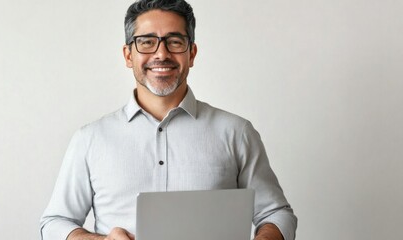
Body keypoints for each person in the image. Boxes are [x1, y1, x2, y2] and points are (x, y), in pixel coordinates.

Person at [40, 0, 297, 239]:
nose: (161, 54)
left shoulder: (236, 132)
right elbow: (55, 222)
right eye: (147, 41)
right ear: (129, 55)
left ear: (192, 53)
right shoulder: (91, 139)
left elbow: (276, 213)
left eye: (174, 41)